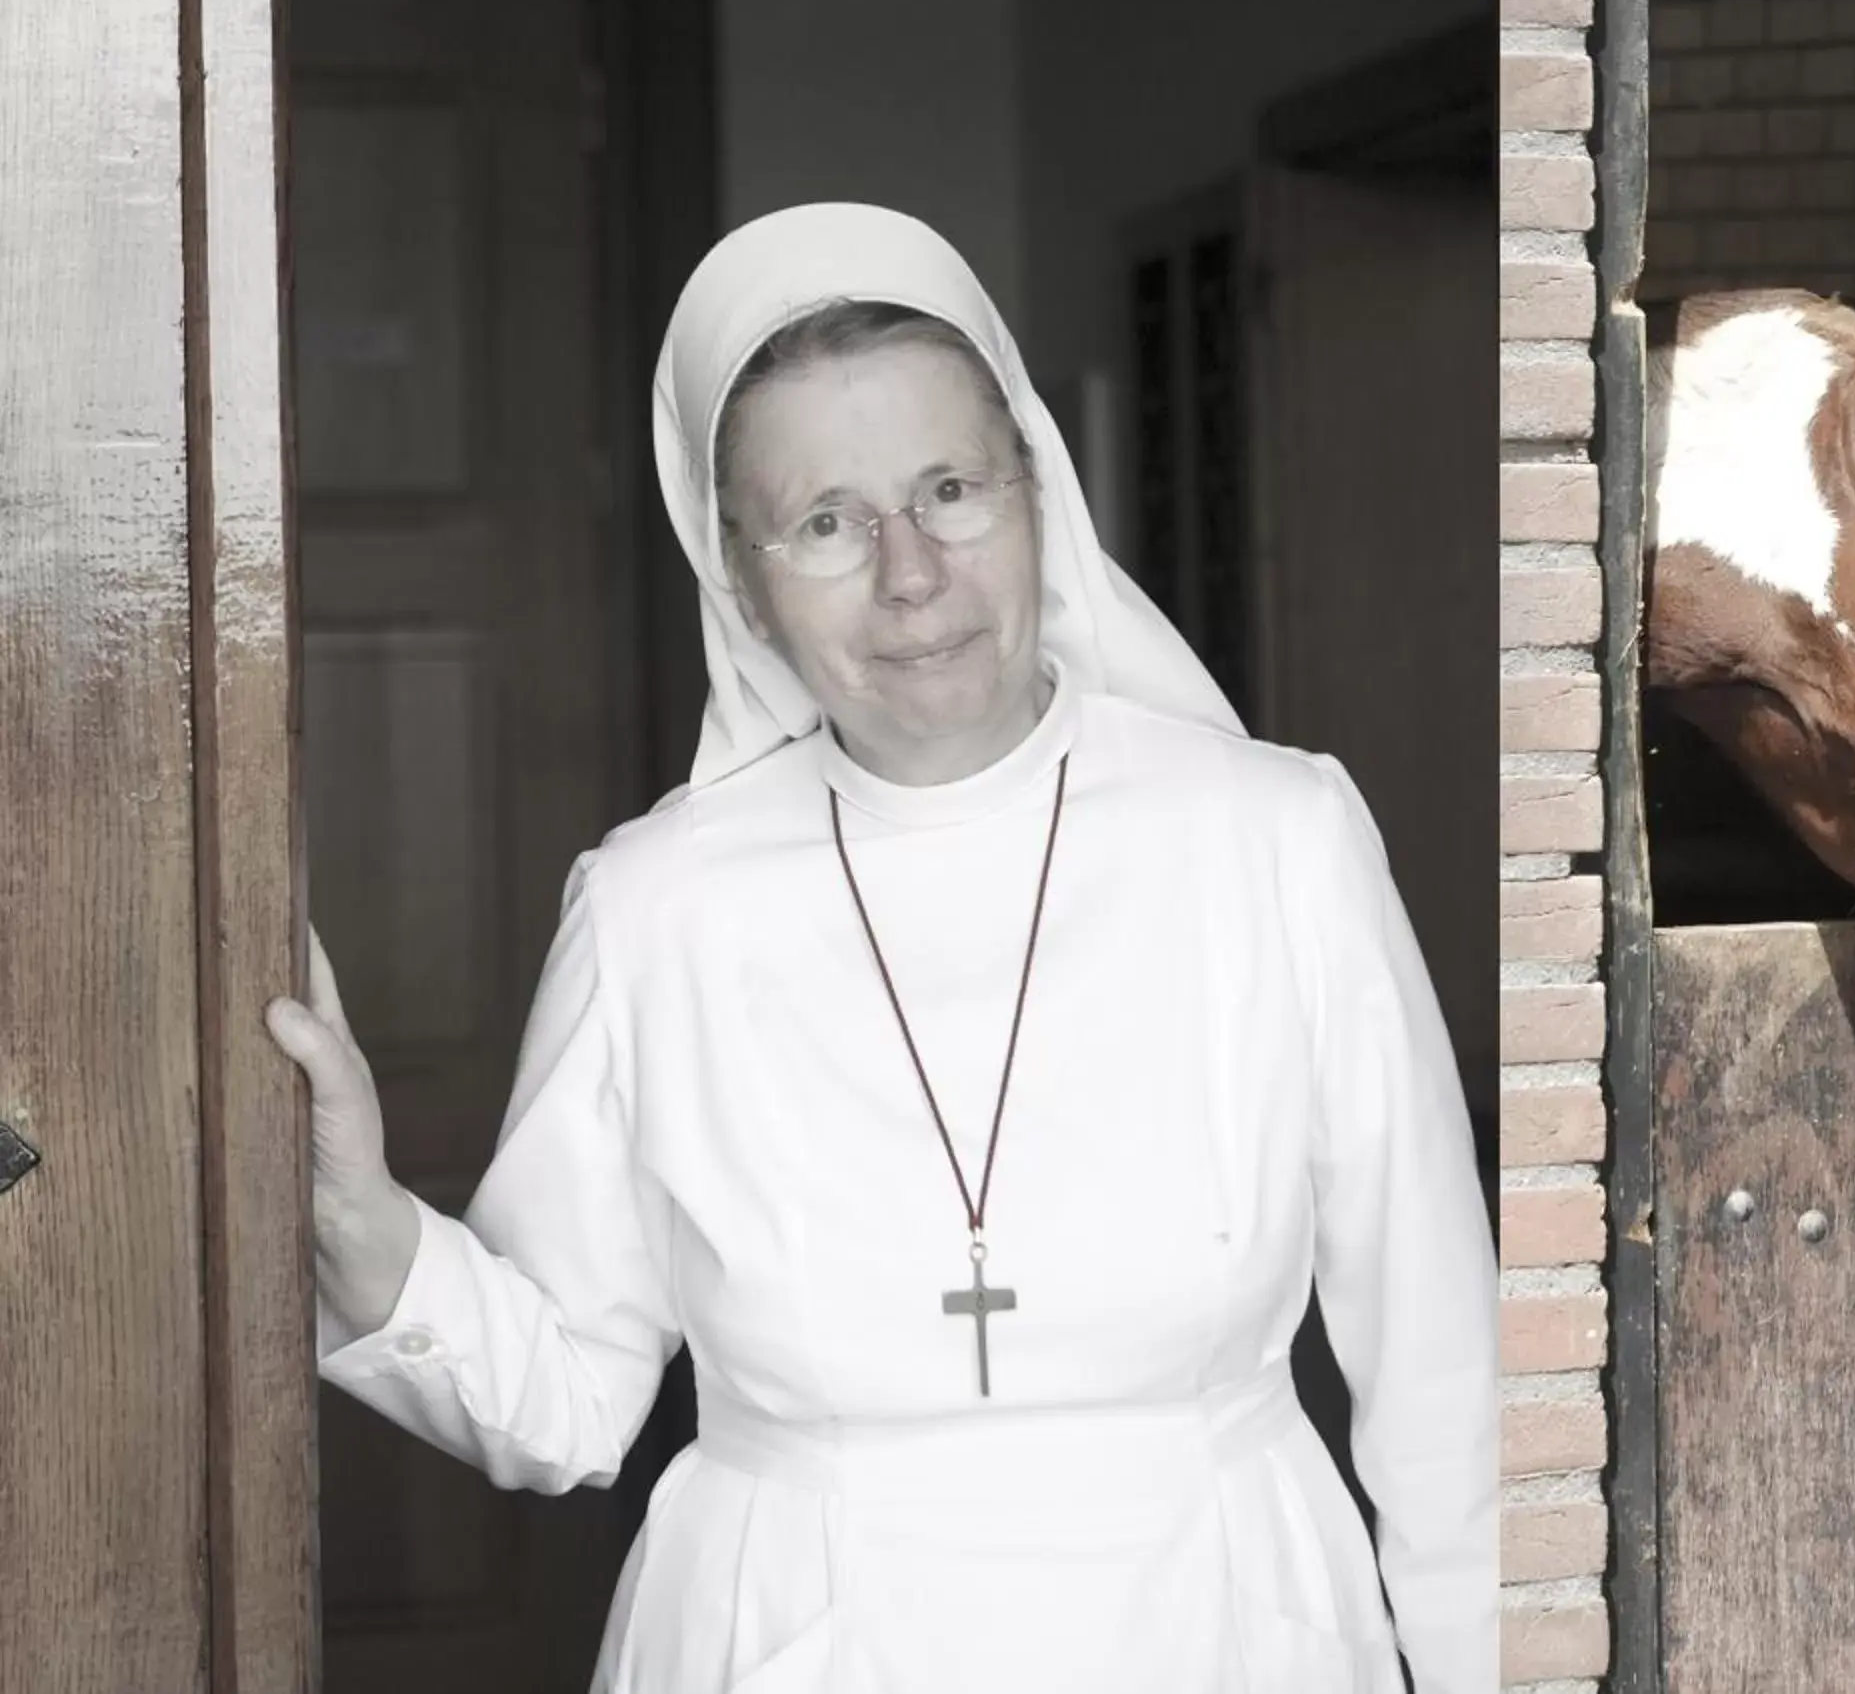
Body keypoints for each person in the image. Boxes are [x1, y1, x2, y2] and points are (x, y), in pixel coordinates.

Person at [266, 202, 1497, 1692]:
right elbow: (571, 1395)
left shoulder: (1281, 838)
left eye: (950, 489)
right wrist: (361, 1219)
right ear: (743, 576)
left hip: (1231, 1625)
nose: (911, 573)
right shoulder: (660, 905)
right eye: (830, 521)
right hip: (793, 1637)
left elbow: (1448, 1391)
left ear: (1037, 487)